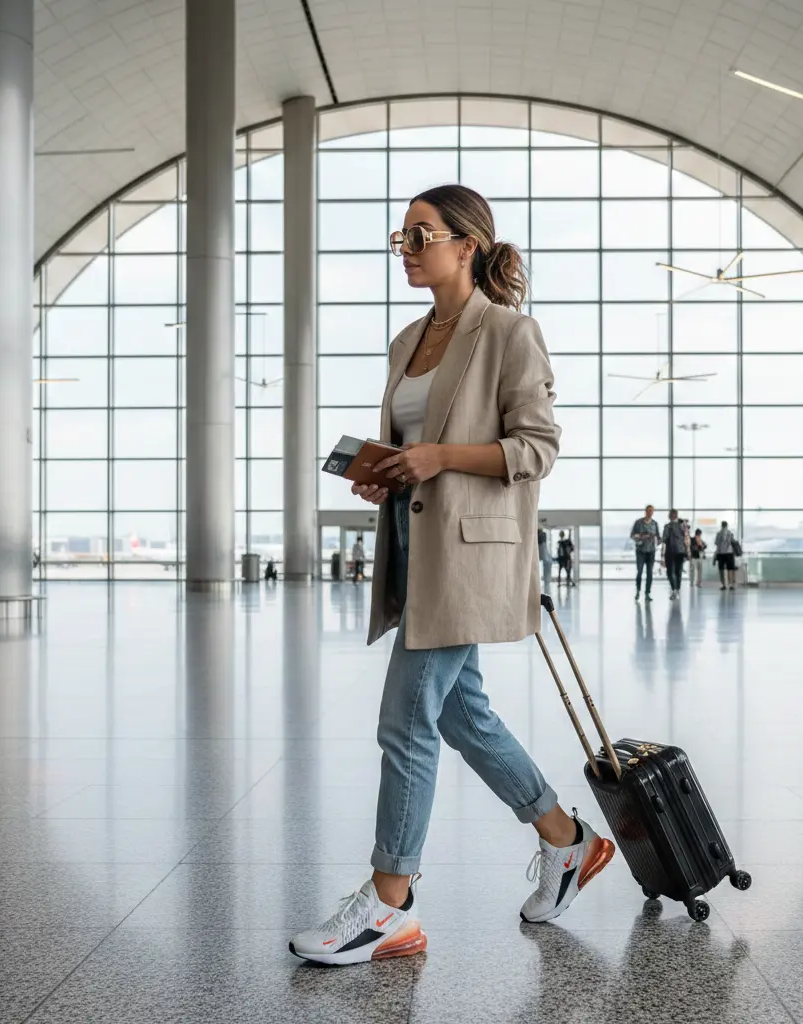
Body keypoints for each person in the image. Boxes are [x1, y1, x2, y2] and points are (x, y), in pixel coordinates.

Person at [289, 184, 614, 966]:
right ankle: (567, 841)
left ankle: (390, 903)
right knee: (462, 716)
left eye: (420, 235)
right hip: (414, 546)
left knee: (405, 722)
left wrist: (438, 458)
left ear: (467, 245)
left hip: (469, 557)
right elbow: (414, 444)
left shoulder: (509, 333)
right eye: (398, 237)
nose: (405, 248)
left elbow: (535, 447)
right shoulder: (406, 340)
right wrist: (389, 473)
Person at [630, 505, 659, 602]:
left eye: (652, 511)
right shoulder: (638, 523)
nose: (650, 512)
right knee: (639, 572)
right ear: (645, 511)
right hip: (641, 551)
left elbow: (658, 537)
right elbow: (632, 535)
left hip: (651, 551)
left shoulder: (655, 524)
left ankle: (647, 593)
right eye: (649, 511)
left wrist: (658, 540)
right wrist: (641, 537)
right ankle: (638, 591)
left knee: (650, 573)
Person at [661, 509, 687, 599]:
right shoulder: (667, 526)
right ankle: (674, 590)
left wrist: (687, 552)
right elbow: (664, 540)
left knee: (678, 571)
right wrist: (662, 555)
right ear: (669, 516)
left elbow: (686, 539)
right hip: (669, 551)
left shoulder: (682, 526)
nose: (673, 516)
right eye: (671, 514)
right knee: (669, 572)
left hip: (680, 551)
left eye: (674, 514)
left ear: (676, 515)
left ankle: (677, 590)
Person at [714, 521, 738, 590]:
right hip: (729, 553)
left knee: (721, 569)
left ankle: (724, 585)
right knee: (729, 569)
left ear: (721, 525)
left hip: (721, 553)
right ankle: (730, 585)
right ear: (727, 525)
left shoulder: (718, 533)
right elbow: (733, 542)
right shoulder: (730, 533)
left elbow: (716, 543)